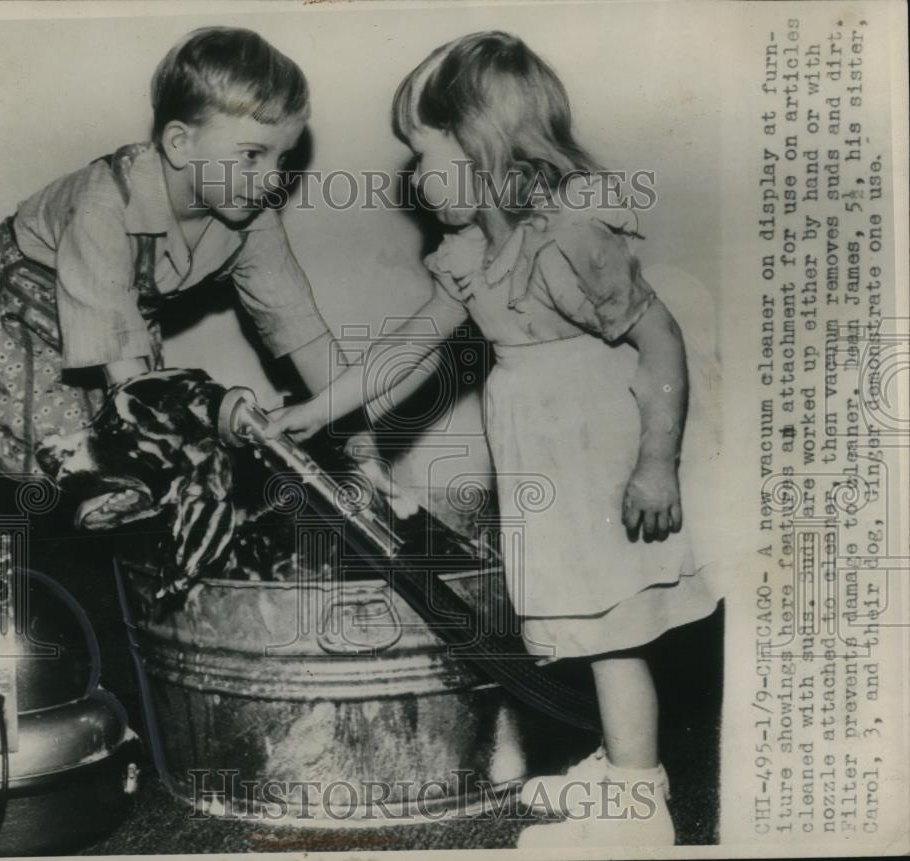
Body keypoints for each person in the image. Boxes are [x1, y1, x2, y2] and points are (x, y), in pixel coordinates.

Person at [266, 30, 720, 846]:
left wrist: (657, 463)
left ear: (481, 150)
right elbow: (405, 347)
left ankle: (641, 805)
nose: (416, 175)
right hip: (544, 451)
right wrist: (319, 409)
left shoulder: (568, 237)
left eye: (427, 155)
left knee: (613, 632)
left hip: (596, 453)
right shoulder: (476, 251)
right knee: (578, 625)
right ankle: (623, 767)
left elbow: (662, 340)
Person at [0, 26, 332, 482]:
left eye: (282, 158)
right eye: (252, 155)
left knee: (131, 464)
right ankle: (31, 550)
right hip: (24, 297)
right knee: (50, 457)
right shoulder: (103, 207)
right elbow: (132, 388)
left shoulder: (252, 216)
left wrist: (363, 445)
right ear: (180, 143)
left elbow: (300, 328)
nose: (272, 178)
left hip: (116, 308)